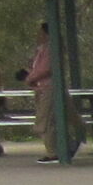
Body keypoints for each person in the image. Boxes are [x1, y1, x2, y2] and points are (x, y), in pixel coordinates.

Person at [21, 24, 65, 160]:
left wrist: (30, 78)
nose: (38, 36)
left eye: (40, 33)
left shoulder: (51, 48)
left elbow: (46, 68)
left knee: (45, 120)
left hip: (48, 88)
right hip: (41, 88)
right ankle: (57, 148)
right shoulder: (42, 49)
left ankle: (53, 152)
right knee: (48, 119)